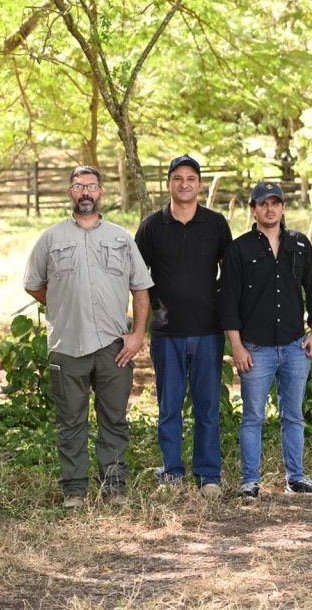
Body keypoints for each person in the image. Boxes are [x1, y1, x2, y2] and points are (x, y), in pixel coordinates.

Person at [24, 166, 153, 508]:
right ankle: (75, 490)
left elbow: (141, 289)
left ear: (101, 193)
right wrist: (63, 305)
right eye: (79, 186)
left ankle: (114, 488)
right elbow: (33, 284)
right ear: (70, 192)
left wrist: (138, 334)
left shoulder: (121, 238)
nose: (85, 192)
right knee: (70, 422)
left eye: (92, 186)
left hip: (114, 346)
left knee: (114, 419)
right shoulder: (51, 239)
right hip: (68, 345)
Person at [219, 182, 312, 500]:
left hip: (295, 346)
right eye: (263, 203)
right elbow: (228, 301)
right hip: (255, 349)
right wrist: (237, 346)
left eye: (275, 203)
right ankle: (250, 482)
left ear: (282, 207)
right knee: (253, 417)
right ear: (253, 209)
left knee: (293, 415)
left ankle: (296, 478)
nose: (270, 209)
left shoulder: (300, 244)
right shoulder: (239, 250)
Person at [135, 155, 232, 498]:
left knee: (207, 407)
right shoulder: (151, 226)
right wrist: (141, 323)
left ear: (200, 184)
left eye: (191, 178)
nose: (184, 184)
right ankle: (172, 474)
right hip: (166, 332)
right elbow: (137, 279)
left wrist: (219, 306)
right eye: (178, 178)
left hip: (208, 330)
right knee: (169, 408)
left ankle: (208, 476)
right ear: (169, 184)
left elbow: (230, 273)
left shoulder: (215, 224)